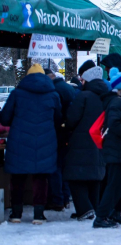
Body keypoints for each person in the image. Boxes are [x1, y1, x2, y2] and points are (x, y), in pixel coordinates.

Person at [0, 63, 61, 224]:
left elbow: (5, 117)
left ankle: (16, 213)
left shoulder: (17, 93)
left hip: (19, 141)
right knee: (41, 178)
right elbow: (58, 119)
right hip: (45, 141)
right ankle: (38, 214)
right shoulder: (53, 95)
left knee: (18, 177)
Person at [94, 68, 121, 228]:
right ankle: (101, 216)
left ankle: (116, 212)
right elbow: (113, 124)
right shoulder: (117, 101)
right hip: (116, 149)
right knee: (115, 184)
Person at [65, 63, 109, 221]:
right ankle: (94, 206)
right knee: (95, 175)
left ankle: (84, 209)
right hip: (101, 140)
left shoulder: (83, 96)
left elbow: (71, 119)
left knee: (75, 176)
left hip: (81, 141)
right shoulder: (107, 96)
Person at [45, 69, 75, 212]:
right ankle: (65, 198)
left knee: (55, 167)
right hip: (68, 133)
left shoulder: (53, 91)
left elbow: (56, 115)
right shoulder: (68, 88)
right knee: (64, 166)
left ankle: (57, 199)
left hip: (57, 133)